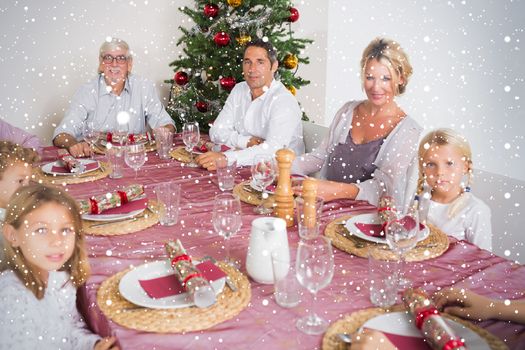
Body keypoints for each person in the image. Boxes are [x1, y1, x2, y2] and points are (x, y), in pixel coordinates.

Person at [292, 38, 421, 209]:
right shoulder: (347, 111)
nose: (376, 87)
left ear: (401, 79)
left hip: (369, 221)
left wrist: (336, 190)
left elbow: (383, 188)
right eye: (370, 77)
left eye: (385, 78)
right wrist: (284, 166)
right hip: (325, 208)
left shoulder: (408, 130)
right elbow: (320, 157)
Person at [0, 184, 119, 350]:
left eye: (65, 229)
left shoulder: (59, 279)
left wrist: (93, 345)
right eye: (41, 230)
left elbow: (68, 330)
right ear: (13, 235)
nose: (57, 241)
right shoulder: (10, 297)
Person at [53, 37, 175, 157]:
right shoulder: (87, 91)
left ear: (129, 64)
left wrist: (164, 131)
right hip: (96, 161)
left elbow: (167, 123)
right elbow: (61, 134)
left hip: (134, 159)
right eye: (108, 58)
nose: (114, 64)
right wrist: (73, 144)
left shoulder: (144, 87)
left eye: (121, 58)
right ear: (101, 63)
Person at [196, 38, 304, 170]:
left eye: (260, 62)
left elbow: (273, 150)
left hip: (280, 176)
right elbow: (216, 132)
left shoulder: (283, 101)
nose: (252, 69)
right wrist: (246, 141)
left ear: (274, 66)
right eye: (248, 62)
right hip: (244, 167)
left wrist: (226, 158)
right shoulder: (239, 90)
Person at [417, 128, 492, 251]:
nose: (440, 172)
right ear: (422, 168)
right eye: (431, 164)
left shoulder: (476, 210)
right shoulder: (416, 200)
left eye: (449, 163)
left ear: (465, 167)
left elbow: (483, 260)